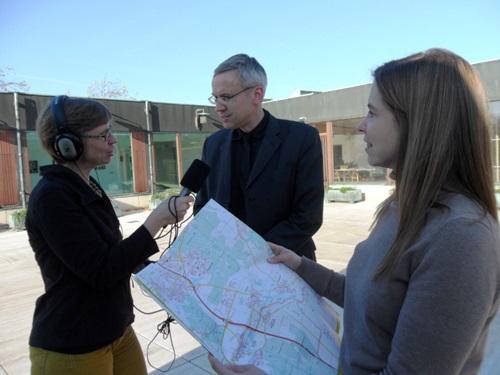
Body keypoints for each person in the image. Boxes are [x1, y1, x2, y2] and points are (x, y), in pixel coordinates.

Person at [208, 49, 500, 374]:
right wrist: (301, 265)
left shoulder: (461, 238)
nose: (361, 126)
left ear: (419, 123)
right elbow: (367, 297)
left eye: (373, 113)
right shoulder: (401, 207)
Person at [26, 96, 193, 375]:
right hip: (74, 341)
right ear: (69, 144)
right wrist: (154, 222)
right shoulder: (52, 197)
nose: (114, 140)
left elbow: (110, 253)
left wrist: (156, 270)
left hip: (116, 329)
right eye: (104, 134)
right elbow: (100, 271)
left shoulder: (87, 184)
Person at [193, 53, 324, 260]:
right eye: (215, 97)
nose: (218, 106)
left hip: (286, 265)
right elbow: (203, 207)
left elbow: (308, 216)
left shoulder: (301, 138)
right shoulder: (213, 144)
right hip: (227, 266)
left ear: (257, 94)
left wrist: (253, 253)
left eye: (226, 97)